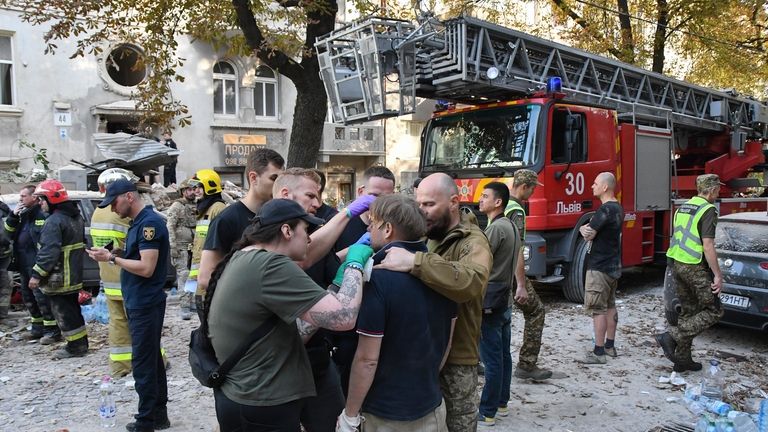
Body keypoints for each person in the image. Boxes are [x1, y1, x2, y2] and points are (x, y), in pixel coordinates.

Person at [204, 198, 374, 432]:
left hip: (252, 399)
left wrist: (335, 287)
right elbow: (344, 318)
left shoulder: (248, 257)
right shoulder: (270, 266)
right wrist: (354, 264)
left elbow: (297, 331)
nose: (309, 238)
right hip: (261, 403)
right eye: (306, 230)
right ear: (286, 231)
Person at [376, 172, 492, 432]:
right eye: (419, 205)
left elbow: (471, 283)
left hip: (456, 358)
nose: (422, 211)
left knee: (457, 425)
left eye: (429, 205)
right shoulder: (430, 234)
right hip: (425, 351)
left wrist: (416, 262)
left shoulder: (473, 242)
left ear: (453, 201)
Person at [341, 194, 456, 432]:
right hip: (431, 404)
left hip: (386, 414)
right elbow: (447, 342)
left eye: (373, 222)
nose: (369, 227)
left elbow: (367, 360)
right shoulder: (442, 271)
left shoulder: (379, 280)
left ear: (388, 229)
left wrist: (350, 414)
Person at [271, 167, 374, 432]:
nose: (318, 203)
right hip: (276, 365)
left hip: (316, 357)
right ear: (285, 195)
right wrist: (351, 267)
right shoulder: (265, 248)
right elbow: (305, 259)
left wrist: (350, 250)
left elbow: (315, 256)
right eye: (310, 196)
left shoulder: (295, 233)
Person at [88, 179, 171, 432]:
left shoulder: (149, 224)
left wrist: (112, 258)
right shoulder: (137, 222)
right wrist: (115, 252)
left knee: (144, 363)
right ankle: (158, 415)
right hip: (140, 300)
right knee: (152, 359)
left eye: (114, 202)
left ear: (129, 197)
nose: (113, 209)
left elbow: (147, 267)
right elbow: (138, 257)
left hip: (145, 303)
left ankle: (146, 421)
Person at [331, 165, 396, 394]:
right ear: (361, 192)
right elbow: (323, 270)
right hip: (343, 330)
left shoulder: (393, 228)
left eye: (387, 197)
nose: (380, 203)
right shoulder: (338, 225)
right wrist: (352, 252)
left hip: (377, 327)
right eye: (375, 195)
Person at [655, 174, 724, 372]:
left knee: (688, 311)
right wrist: (717, 274)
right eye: (717, 188)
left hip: (677, 263)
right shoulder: (708, 210)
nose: (718, 191)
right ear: (710, 190)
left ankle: (682, 361)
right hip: (694, 266)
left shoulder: (683, 207)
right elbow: (708, 245)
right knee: (714, 310)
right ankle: (672, 336)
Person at [197, 148, 285, 296]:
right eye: (274, 178)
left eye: (281, 180)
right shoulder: (226, 219)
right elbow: (205, 278)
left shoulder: (278, 217)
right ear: (253, 178)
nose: (279, 185)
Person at [476, 182, 521, 426]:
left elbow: (477, 260)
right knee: (503, 355)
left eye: (485, 196)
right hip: (505, 300)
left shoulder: (495, 229)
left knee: (492, 358)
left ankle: (488, 411)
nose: (480, 199)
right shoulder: (511, 226)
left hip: (490, 302)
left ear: (498, 202)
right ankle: (502, 403)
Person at [29, 179, 87, 358]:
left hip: (59, 277)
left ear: (51, 199)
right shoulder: (75, 216)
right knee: (73, 311)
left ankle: (75, 347)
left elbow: (49, 252)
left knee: (64, 312)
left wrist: (37, 274)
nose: (39, 203)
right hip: (73, 274)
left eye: (41, 199)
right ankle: (80, 343)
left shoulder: (54, 222)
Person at [90, 169, 140, 376]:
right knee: (139, 324)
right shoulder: (120, 212)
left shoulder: (97, 211)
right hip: (126, 274)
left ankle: (120, 366)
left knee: (118, 322)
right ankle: (156, 360)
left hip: (108, 277)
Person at [503, 169, 552, 380]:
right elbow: (517, 249)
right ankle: (527, 364)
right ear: (525, 187)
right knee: (536, 311)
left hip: (496, 270)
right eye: (533, 188)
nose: (533, 192)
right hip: (509, 273)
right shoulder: (517, 210)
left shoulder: (501, 203)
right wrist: (521, 284)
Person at [578, 172, 624, 365]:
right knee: (610, 305)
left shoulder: (605, 210)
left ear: (605, 187)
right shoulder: (618, 208)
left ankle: (598, 352)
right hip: (613, 265)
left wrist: (582, 229)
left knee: (598, 309)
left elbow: (588, 233)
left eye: (595, 183)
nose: (592, 186)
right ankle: (610, 346)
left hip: (599, 266)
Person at [3, 185, 55, 338]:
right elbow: (6, 236)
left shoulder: (43, 214)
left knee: (42, 299)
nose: (20, 199)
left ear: (34, 197)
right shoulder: (22, 214)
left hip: (37, 265)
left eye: (23, 196)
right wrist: (13, 216)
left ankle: (51, 331)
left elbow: (47, 244)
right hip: (23, 264)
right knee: (29, 299)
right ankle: (37, 329)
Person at [187, 169, 227, 320]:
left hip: (211, 277)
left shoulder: (217, 208)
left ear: (209, 187)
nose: (195, 191)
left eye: (199, 187)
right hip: (200, 277)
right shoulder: (205, 209)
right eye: (194, 187)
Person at [166, 179, 197, 320]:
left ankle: (191, 302)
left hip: (193, 246)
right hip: (181, 247)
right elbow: (170, 226)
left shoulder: (196, 205)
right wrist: (173, 246)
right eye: (189, 190)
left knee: (193, 275)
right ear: (183, 192)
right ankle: (184, 306)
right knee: (184, 275)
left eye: (193, 189)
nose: (192, 192)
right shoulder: (177, 206)